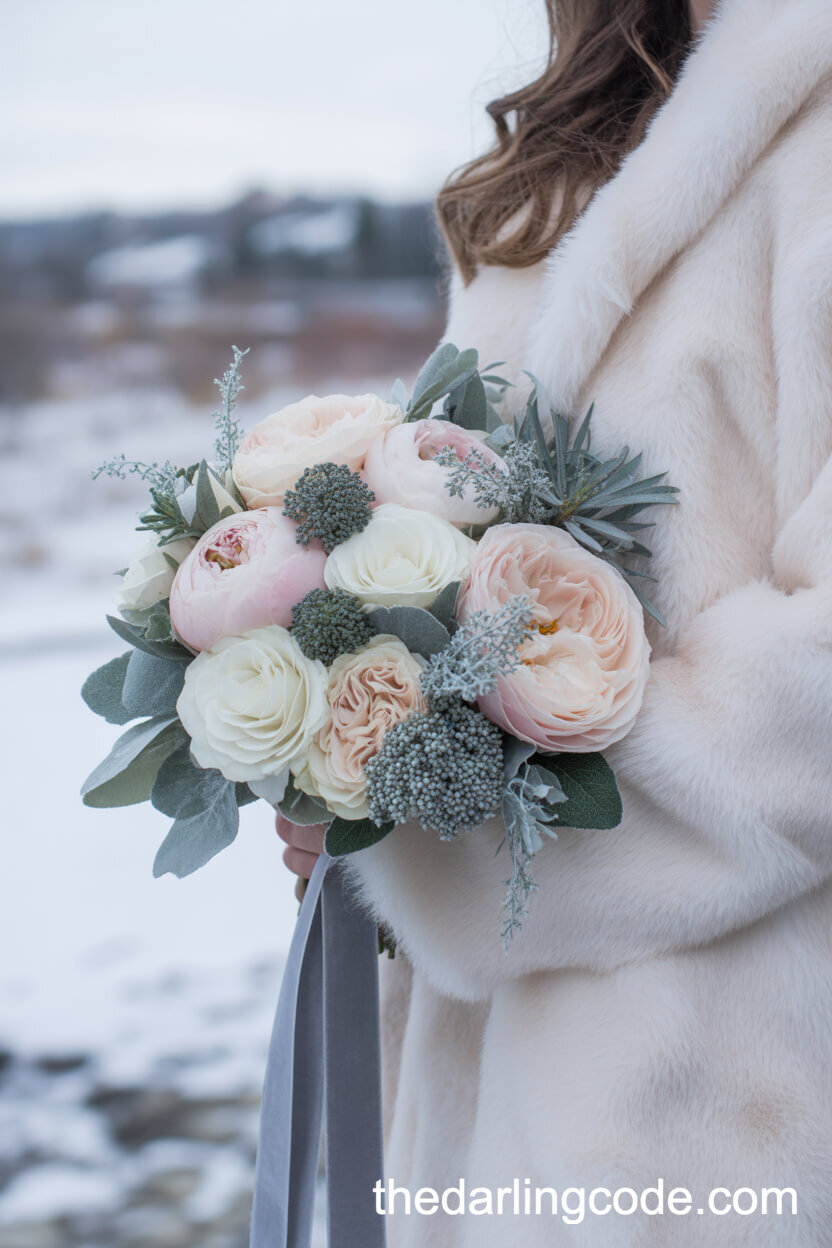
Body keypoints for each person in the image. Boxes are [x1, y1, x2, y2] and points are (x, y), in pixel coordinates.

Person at [278, 0, 832, 1241]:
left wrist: (448, 840)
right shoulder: (570, 153)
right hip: (501, 1092)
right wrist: (351, 738)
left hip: (741, 1090)